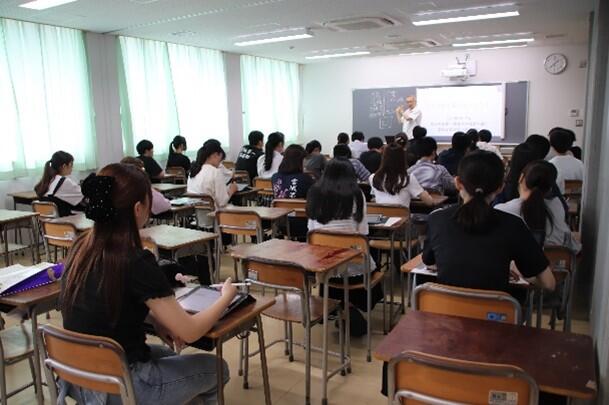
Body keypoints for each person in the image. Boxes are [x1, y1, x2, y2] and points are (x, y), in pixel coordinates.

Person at [60, 163, 237, 404]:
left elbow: (106, 305)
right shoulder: (135, 260)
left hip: (77, 375)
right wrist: (226, 297)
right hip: (119, 385)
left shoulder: (81, 247)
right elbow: (190, 332)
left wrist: (154, 320)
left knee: (167, 356)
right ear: (137, 209)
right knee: (217, 368)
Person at [423, 151, 556, 293]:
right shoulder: (513, 225)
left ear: (458, 183)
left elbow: (429, 261)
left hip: (444, 305)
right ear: (500, 187)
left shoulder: (437, 219)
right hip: (496, 307)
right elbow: (549, 283)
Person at [306, 158, 382, 335]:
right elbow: (363, 232)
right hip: (356, 271)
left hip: (324, 268)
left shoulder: (314, 192)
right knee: (367, 258)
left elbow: (311, 230)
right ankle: (350, 306)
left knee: (337, 265)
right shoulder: (357, 194)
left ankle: (338, 306)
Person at [495, 161, 581, 253]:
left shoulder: (501, 210)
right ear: (550, 188)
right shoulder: (557, 205)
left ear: (521, 178)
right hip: (556, 261)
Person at [371, 143, 434, 207]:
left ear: (383, 158)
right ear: (403, 159)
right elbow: (429, 202)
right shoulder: (408, 179)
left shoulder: (373, 178)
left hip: (380, 213)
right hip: (402, 213)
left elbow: (374, 198)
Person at [188, 142, 238, 208]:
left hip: (195, 212)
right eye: (220, 160)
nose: (219, 164)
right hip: (213, 212)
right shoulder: (215, 172)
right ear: (215, 155)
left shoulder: (193, 171)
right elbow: (222, 202)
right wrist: (231, 191)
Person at [34, 151, 84, 217]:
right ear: (64, 166)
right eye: (71, 164)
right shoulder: (64, 181)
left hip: (48, 222)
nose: (72, 168)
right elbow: (83, 194)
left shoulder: (48, 180)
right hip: (63, 221)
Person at [549, 128, 584, 192]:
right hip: (577, 197)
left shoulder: (549, 165)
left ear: (552, 146)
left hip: (557, 197)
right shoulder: (580, 164)